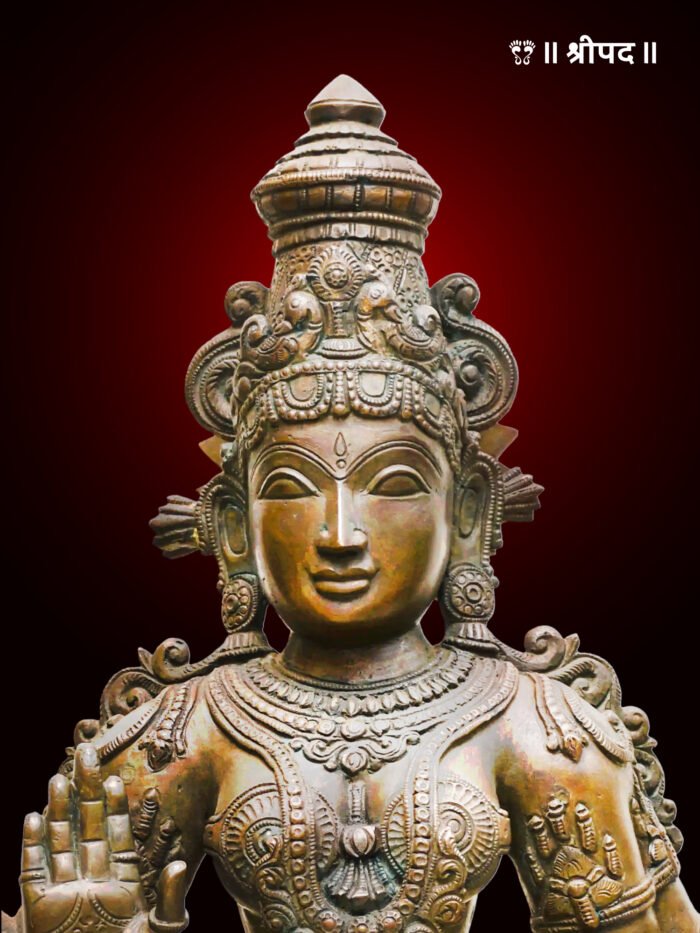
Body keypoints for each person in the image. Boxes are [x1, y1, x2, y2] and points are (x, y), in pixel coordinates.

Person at [3, 74, 697, 933]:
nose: (340, 534)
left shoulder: (541, 729)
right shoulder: (175, 735)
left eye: (394, 484)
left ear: (468, 510)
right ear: (233, 526)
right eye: (293, 488)